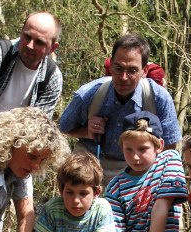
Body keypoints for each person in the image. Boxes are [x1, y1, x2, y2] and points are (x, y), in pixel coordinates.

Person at [60, 34, 181, 185]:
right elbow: (62, 128)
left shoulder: (158, 98)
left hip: (135, 167)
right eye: (118, 68)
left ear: (144, 70)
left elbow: (169, 147)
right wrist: (87, 131)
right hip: (89, 163)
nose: (123, 77)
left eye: (132, 71)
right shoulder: (89, 94)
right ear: (110, 65)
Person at [104, 111, 188, 232]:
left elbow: (162, 205)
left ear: (159, 146)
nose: (135, 157)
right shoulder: (115, 186)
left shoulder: (169, 160)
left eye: (142, 149)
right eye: (128, 150)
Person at [34, 152, 115, 232]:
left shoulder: (101, 209)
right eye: (70, 192)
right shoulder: (52, 209)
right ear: (61, 190)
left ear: (96, 192)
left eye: (83, 193)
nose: (76, 200)